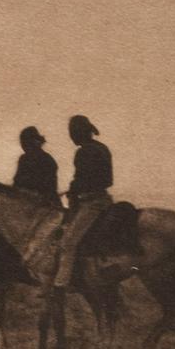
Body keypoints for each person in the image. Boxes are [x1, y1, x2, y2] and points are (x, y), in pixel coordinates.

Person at [54, 115, 114, 291]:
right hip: (105, 199)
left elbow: (81, 180)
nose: (71, 136)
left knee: (68, 242)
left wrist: (73, 190)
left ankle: (60, 286)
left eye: (72, 133)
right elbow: (107, 181)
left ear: (78, 133)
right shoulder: (102, 148)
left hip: (91, 203)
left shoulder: (84, 151)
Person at [13, 126, 60, 205]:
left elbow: (49, 188)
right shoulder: (24, 159)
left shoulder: (47, 161)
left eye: (26, 143)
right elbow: (17, 182)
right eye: (23, 144)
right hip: (27, 202)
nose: (24, 147)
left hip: (45, 205)